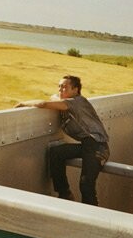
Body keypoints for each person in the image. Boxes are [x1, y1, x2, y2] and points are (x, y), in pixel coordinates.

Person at [16, 75, 110, 205]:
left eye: (65, 87)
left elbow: (43, 104)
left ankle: (91, 219)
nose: (61, 89)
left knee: (86, 185)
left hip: (97, 148)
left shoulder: (77, 101)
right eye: (59, 86)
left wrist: (23, 103)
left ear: (75, 90)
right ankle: (65, 193)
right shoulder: (67, 102)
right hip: (87, 146)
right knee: (56, 152)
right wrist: (56, 97)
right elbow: (54, 97)